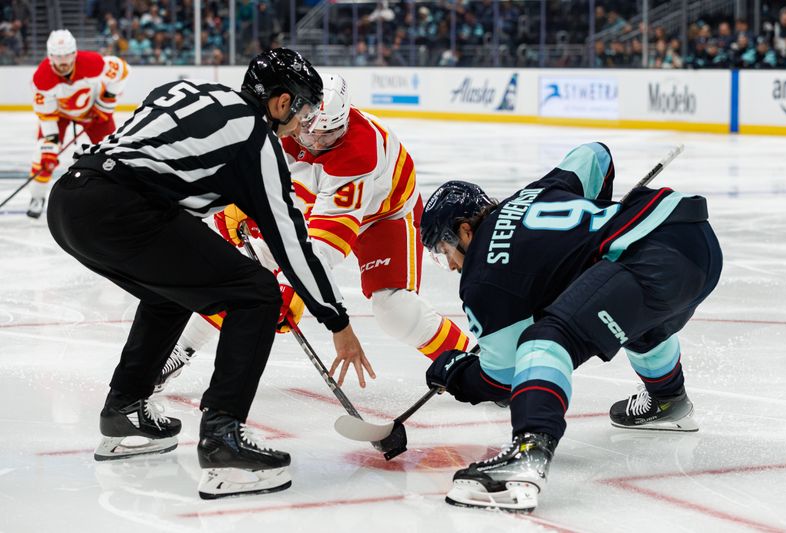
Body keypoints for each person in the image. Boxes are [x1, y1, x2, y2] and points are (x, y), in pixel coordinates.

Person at [47, 48, 371, 500]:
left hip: (69, 202)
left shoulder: (190, 92)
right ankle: (223, 441)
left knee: (169, 293)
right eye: (303, 110)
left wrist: (214, 197)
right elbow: (291, 244)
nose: (303, 124)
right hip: (122, 211)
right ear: (281, 103)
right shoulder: (258, 139)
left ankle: (124, 411)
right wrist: (336, 318)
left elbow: (159, 161)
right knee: (257, 294)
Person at [420, 142, 722, 512]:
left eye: (443, 251)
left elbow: (502, 378)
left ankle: (525, 459)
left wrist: (454, 373)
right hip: (695, 239)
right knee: (639, 323)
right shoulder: (535, 190)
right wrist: (588, 250)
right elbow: (596, 155)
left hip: (653, 256)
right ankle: (668, 399)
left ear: (465, 230)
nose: (450, 265)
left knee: (545, 339)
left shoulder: (482, 278)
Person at [155, 73, 469, 392]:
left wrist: (289, 287)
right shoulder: (282, 126)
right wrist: (234, 201)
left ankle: (474, 363)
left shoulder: (359, 152)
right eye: (311, 132)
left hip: (383, 215)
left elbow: (325, 245)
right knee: (249, 268)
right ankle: (179, 352)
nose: (318, 143)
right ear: (300, 115)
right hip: (318, 198)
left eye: (330, 134)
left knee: (394, 309)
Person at [29, 29, 129, 218]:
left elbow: (123, 70)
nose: (64, 61)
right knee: (43, 157)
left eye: (67, 55)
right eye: (58, 57)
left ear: (74, 53)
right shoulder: (42, 78)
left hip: (93, 112)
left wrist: (105, 103)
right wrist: (50, 147)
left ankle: (116, 195)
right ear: (50, 56)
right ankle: (37, 196)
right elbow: (47, 117)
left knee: (112, 154)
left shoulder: (93, 63)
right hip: (60, 115)